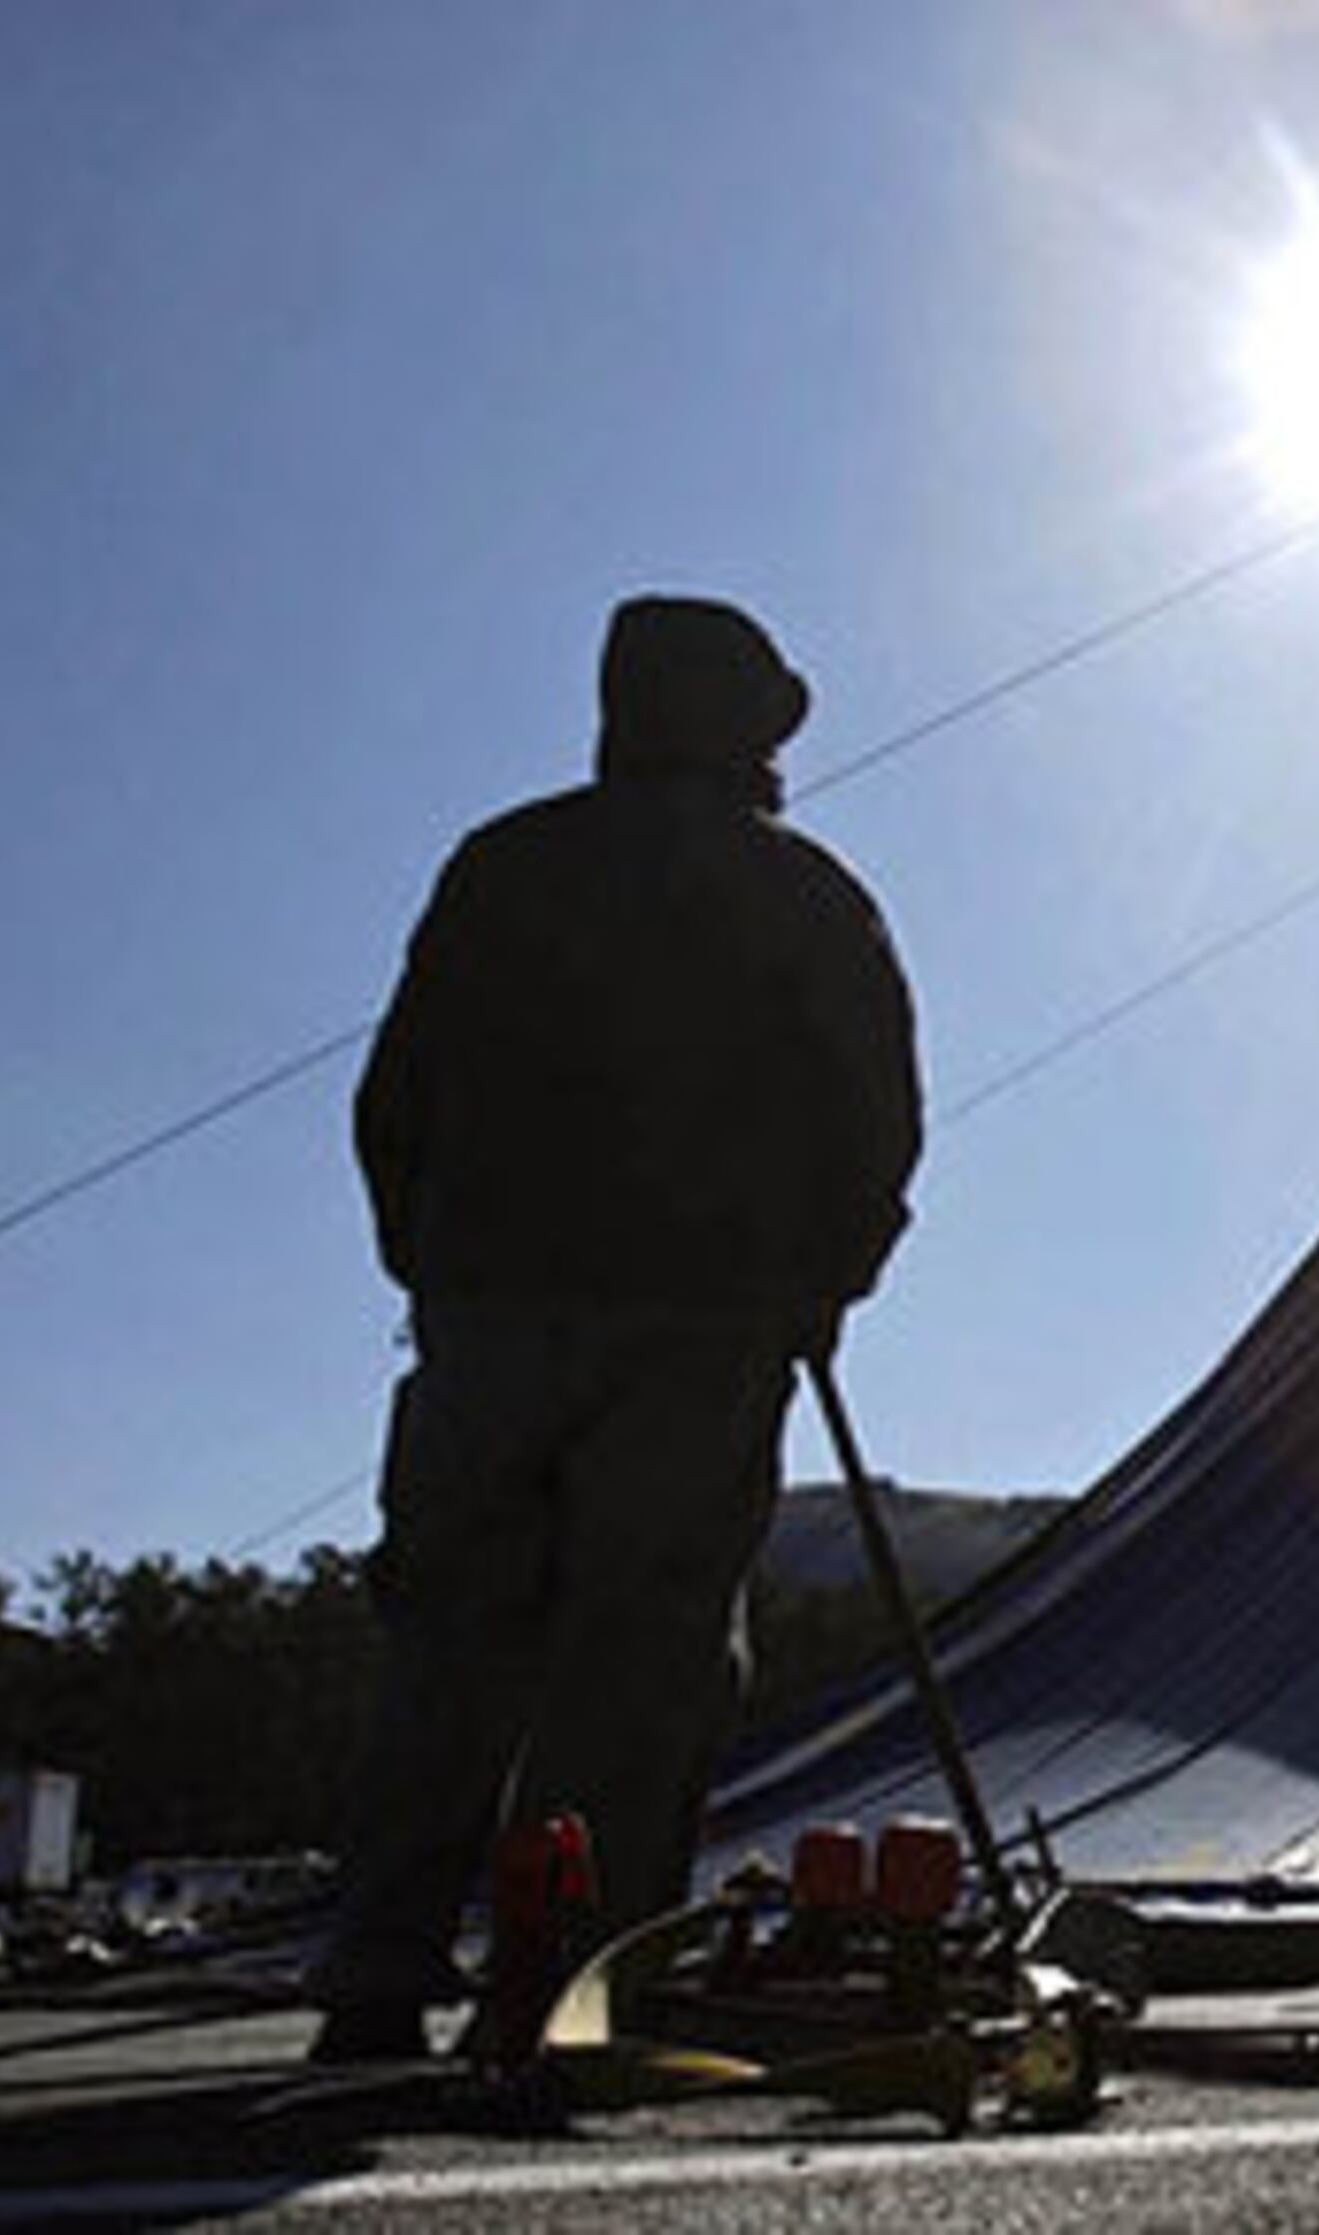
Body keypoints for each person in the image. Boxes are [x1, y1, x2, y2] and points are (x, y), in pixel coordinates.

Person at [306, 595, 921, 2062]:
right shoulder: (803, 894)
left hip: (488, 1319)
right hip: (698, 1326)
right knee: (641, 1652)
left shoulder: (499, 870)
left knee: (448, 1639)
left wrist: (439, 1272)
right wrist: (826, 1283)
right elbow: (876, 1114)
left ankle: (377, 1975)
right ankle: (569, 1986)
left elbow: (392, 1103)